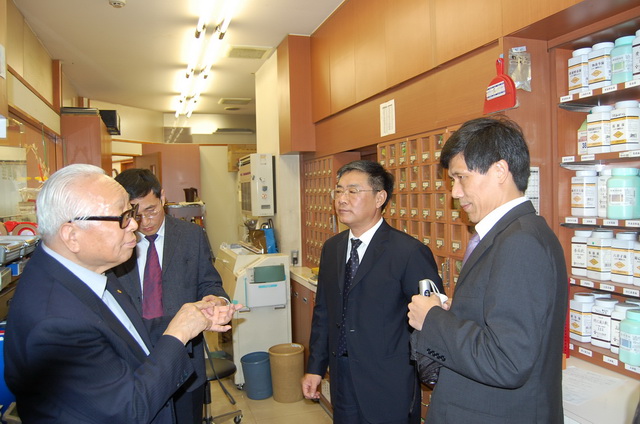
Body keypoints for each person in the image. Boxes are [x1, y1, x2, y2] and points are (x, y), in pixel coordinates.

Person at [3, 164, 242, 424]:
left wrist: (189, 318)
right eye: (124, 217)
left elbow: (128, 331)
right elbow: (129, 410)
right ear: (72, 235)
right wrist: (178, 334)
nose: (135, 225)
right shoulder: (55, 322)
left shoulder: (89, 275)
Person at [408, 116, 568, 424]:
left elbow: (508, 360)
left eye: (461, 178)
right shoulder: (508, 234)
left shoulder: (521, 242)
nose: (455, 193)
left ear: (499, 171)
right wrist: (454, 313)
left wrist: (432, 319)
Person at [302, 160, 442, 424]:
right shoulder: (332, 248)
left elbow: (431, 322)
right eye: (338, 191)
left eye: (353, 191)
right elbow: (324, 313)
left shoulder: (409, 252)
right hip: (343, 375)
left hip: (389, 381)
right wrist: (315, 368)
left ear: (380, 198)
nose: (342, 199)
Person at [110, 168, 230, 424]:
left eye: (151, 210)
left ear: (162, 197)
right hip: (134, 362)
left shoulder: (191, 236)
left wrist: (216, 300)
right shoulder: (116, 243)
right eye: (135, 214)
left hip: (185, 362)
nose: (145, 222)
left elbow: (210, 282)